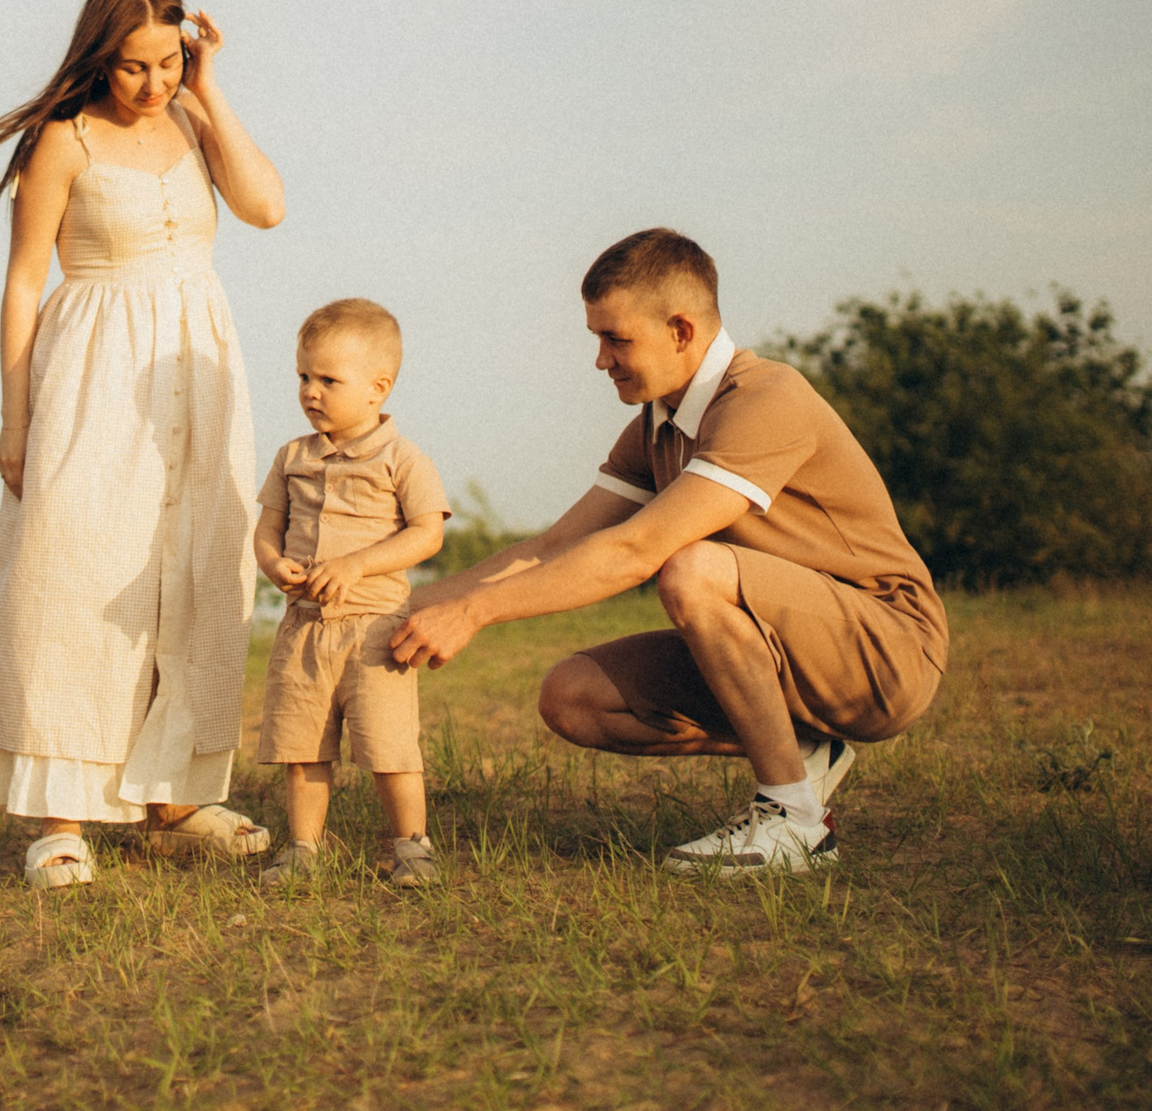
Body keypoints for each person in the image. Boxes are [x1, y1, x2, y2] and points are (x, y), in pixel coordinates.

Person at [391, 228, 948, 875]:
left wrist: (474, 614)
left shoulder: (768, 399)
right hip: (786, 650)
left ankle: (794, 820)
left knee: (690, 566)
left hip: (888, 650)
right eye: (597, 337)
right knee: (571, 694)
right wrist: (403, 605)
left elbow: (636, 550)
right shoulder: (657, 423)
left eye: (616, 338)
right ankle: (804, 752)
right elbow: (555, 544)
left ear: (681, 330)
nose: (601, 359)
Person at [0, 0, 286, 890]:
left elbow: (267, 206)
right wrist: (15, 417)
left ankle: (174, 799)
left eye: (168, 61)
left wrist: (212, 89)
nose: (151, 83)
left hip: (198, 366)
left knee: (197, 566)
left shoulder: (196, 119)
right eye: (133, 66)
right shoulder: (64, 141)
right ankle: (60, 817)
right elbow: (21, 285)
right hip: (95, 368)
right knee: (71, 569)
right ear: (98, 56)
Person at [251, 299, 451, 888]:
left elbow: (427, 533)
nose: (311, 391)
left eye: (328, 380)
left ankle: (411, 848)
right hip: (305, 627)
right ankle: (304, 850)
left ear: (376, 388)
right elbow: (267, 527)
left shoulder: (401, 458)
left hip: (374, 630)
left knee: (389, 747)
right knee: (303, 745)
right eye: (303, 377)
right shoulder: (293, 456)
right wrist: (272, 563)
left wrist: (358, 565)